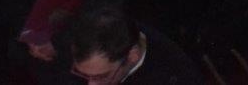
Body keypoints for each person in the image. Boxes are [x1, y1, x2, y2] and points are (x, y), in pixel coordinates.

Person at [68, 5, 202, 82]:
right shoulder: (84, 46)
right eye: (82, 74)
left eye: (102, 77)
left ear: (133, 56)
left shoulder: (176, 75)